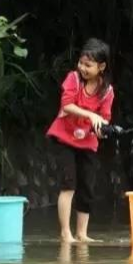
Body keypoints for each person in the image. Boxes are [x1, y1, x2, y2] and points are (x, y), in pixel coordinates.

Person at [46, 38, 115, 243]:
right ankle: (66, 233)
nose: (82, 68)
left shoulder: (107, 91)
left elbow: (103, 121)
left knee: (87, 187)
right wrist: (90, 115)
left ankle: (82, 233)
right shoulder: (73, 79)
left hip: (88, 143)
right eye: (81, 63)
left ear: (101, 66)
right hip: (64, 139)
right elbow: (66, 105)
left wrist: (102, 129)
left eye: (88, 65)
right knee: (69, 184)